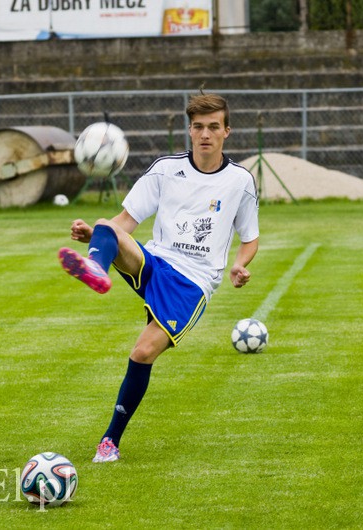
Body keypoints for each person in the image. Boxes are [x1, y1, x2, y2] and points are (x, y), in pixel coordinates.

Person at [58, 92, 260, 463]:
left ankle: (109, 441)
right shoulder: (165, 169)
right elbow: (125, 223)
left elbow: (250, 237)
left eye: (213, 127)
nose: (205, 134)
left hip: (192, 283)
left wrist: (239, 264)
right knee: (105, 224)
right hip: (156, 260)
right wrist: (97, 235)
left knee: (143, 352)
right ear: (189, 130)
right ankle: (95, 268)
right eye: (198, 127)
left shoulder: (240, 181)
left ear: (226, 132)